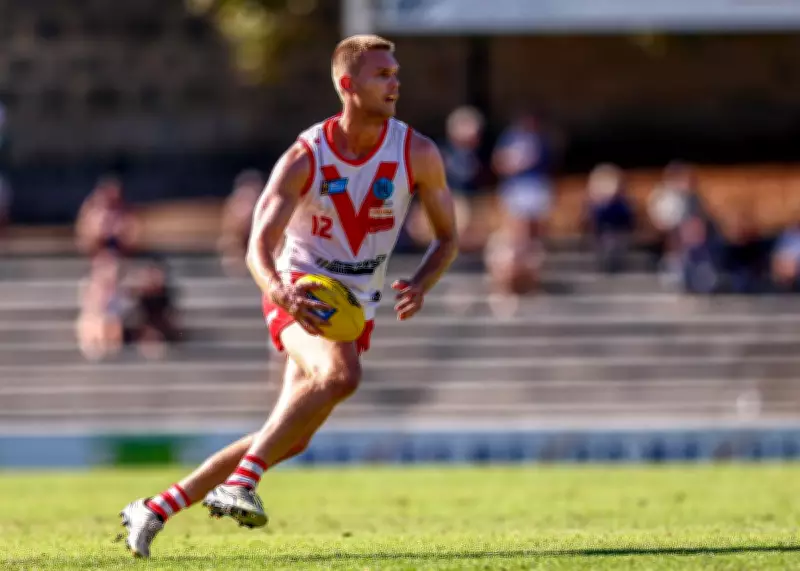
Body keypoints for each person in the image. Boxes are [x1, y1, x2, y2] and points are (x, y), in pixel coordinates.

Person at [118, 34, 458, 558]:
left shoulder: (418, 152)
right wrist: (280, 291)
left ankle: (155, 507)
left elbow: (448, 237)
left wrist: (421, 282)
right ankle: (240, 485)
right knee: (342, 376)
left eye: (395, 74)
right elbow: (257, 244)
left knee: (290, 436)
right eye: (381, 75)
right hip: (300, 291)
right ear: (347, 85)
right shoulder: (306, 156)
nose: (395, 83)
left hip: (356, 305)